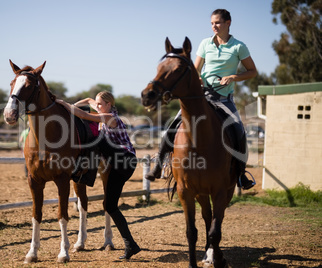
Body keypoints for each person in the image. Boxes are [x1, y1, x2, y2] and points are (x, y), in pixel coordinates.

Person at [145, 9, 257, 190]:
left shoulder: (239, 47)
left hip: (223, 99)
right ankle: (158, 165)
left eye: (218, 23)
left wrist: (233, 77)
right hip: (202, 96)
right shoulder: (205, 44)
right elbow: (196, 70)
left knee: (239, 131)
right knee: (171, 127)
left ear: (228, 23)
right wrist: (195, 79)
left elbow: (253, 71)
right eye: (212, 23)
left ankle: (241, 174)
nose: (214, 26)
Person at [57, 91, 141, 260]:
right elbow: (88, 101)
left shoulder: (110, 117)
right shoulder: (103, 111)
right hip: (116, 166)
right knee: (110, 206)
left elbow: (82, 114)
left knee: (97, 139)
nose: (97, 106)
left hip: (125, 160)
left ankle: (84, 173)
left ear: (109, 105)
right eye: (98, 104)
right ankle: (131, 245)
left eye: (100, 104)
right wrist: (86, 102)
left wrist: (63, 104)